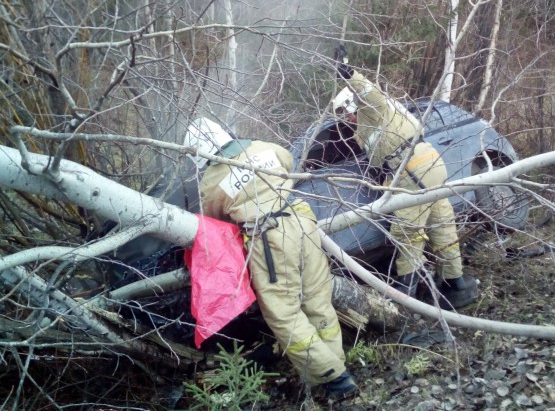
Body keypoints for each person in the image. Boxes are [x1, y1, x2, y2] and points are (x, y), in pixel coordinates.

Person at [184, 117, 357, 399]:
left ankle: (334, 379)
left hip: (269, 238)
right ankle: (335, 362)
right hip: (303, 221)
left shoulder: (211, 181)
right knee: (316, 298)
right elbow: (288, 162)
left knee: (284, 314)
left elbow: (213, 223)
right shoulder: (264, 147)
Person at [331, 44, 478, 309]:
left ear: (352, 105)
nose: (346, 120)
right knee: (441, 225)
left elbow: (369, 92)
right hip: (428, 164)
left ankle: (405, 297)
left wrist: (347, 73)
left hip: (414, 171)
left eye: (345, 113)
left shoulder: (374, 108)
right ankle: (455, 284)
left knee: (407, 232)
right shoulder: (370, 123)